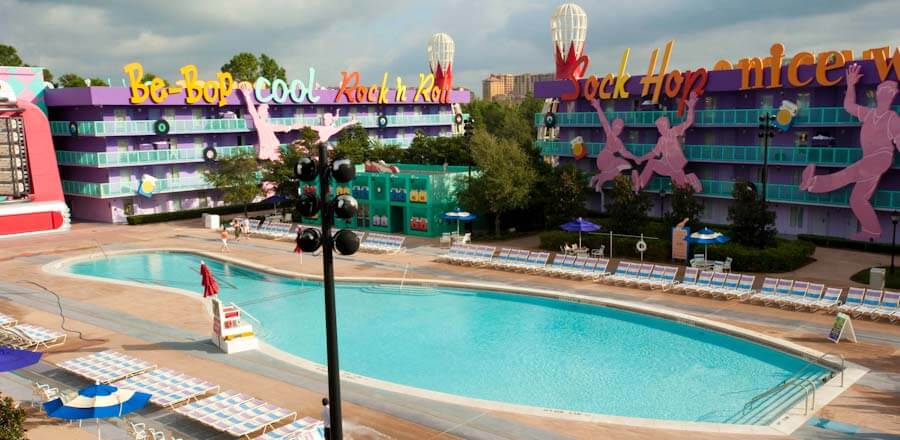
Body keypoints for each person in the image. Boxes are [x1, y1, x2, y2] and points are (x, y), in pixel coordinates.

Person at [800, 63, 900, 240]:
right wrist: (851, 85)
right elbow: (849, 106)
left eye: (888, 93)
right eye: (881, 92)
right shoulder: (869, 114)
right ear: (877, 94)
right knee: (857, 199)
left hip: (881, 158)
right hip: (869, 159)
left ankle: (813, 183)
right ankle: (873, 231)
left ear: (892, 97)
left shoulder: (893, 119)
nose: (883, 95)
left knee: (849, 173)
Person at [632, 92, 701, 193]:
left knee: (683, 189)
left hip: (676, 168)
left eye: (659, 127)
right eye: (658, 128)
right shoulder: (661, 140)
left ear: (665, 126)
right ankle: (640, 183)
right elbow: (653, 153)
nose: (659, 130)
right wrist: (641, 158)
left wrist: (691, 107)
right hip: (666, 165)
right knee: (652, 162)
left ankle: (691, 180)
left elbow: (688, 122)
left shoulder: (674, 131)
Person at [589, 98, 639, 192]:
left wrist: (635, 157)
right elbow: (604, 121)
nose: (618, 129)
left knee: (614, 173)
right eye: (616, 126)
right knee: (616, 169)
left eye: (620, 127)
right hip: (604, 157)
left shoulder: (618, 141)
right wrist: (598, 107)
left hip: (610, 159)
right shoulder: (610, 133)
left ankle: (596, 179)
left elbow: (625, 153)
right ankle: (598, 183)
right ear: (612, 126)